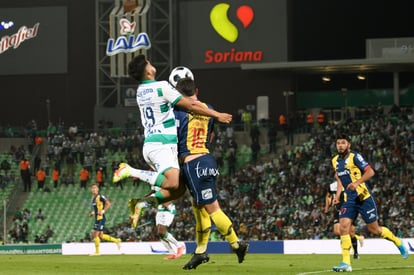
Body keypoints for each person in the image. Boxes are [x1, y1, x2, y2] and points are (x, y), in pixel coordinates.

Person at [112, 54, 232, 228]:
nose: (152, 65)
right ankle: (130, 171)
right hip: (162, 144)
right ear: (147, 70)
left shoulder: (140, 91)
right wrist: (217, 115)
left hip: (152, 144)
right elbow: (191, 106)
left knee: (179, 190)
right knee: (173, 182)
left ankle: (142, 203)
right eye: (149, 63)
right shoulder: (162, 87)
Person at [174, 77, 248, 269]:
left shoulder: (180, 110)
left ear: (179, 95)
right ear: (196, 91)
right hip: (207, 158)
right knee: (199, 206)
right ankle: (200, 252)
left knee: (211, 208)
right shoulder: (209, 107)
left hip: (193, 163)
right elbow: (211, 135)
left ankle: (236, 244)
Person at [331, 134, 408, 272]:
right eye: (338, 143)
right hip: (349, 200)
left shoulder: (355, 157)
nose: (340, 145)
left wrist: (357, 183)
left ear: (349, 145)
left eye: (343, 143)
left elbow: (370, 172)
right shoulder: (335, 161)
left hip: (364, 198)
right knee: (343, 227)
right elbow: (340, 181)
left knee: (375, 230)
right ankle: (346, 263)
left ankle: (397, 242)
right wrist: (337, 196)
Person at [324, 180, 364, 259]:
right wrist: (327, 207)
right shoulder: (332, 186)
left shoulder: (348, 184)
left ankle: (355, 252)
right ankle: (358, 238)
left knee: (351, 232)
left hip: (348, 210)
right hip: (337, 210)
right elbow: (328, 196)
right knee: (337, 231)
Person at [88, 183, 121, 256]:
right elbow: (97, 209)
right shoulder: (94, 198)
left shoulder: (100, 196)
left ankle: (97, 252)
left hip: (101, 218)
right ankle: (117, 240)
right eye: (92, 188)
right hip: (97, 218)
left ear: (98, 189)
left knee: (95, 234)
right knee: (101, 236)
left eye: (95, 188)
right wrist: (93, 213)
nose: (94, 189)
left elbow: (108, 203)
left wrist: (103, 211)